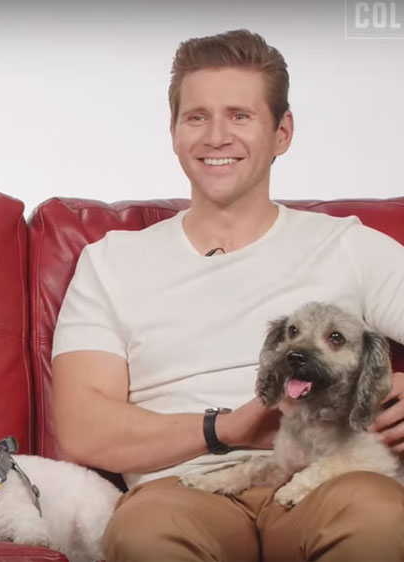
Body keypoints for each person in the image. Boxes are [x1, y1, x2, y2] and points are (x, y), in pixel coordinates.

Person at [51, 29, 404, 560]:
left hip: (328, 480)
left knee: (377, 517)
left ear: (282, 132)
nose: (217, 137)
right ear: (174, 131)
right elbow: (84, 429)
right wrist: (228, 428)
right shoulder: (111, 261)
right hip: (182, 491)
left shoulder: (349, 245)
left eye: (240, 116)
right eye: (197, 117)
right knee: (147, 534)